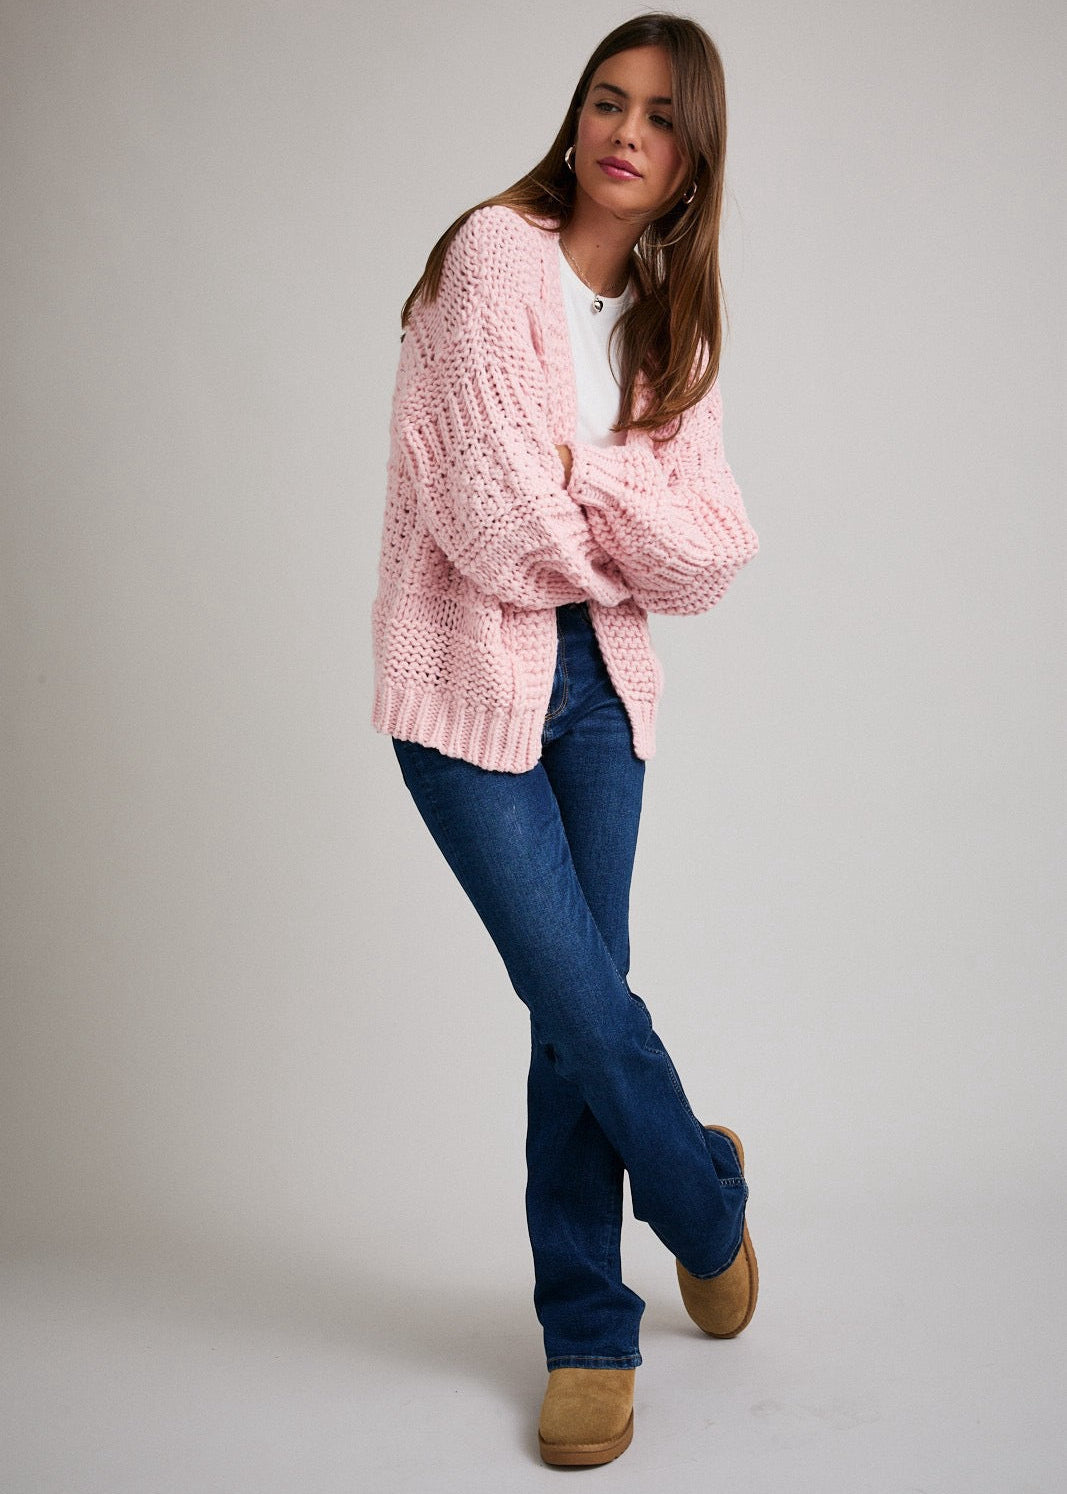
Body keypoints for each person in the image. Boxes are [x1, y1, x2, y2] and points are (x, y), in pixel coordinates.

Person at [371, 11, 759, 1467]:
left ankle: (588, 1325)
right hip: (469, 686)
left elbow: (713, 558)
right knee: (586, 999)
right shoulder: (491, 256)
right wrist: (617, 523)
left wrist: (574, 474)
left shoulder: (676, 330)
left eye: (661, 120)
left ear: (687, 167)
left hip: (607, 690)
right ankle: (706, 1202)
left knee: (572, 1019)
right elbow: (487, 522)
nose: (625, 133)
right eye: (609, 101)